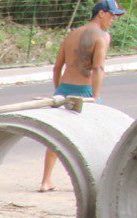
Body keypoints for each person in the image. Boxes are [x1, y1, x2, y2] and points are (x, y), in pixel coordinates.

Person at [40, 0, 124, 192]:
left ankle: (45, 180)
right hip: (85, 91)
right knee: (100, 134)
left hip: (63, 89)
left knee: (56, 135)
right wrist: (96, 97)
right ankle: (100, 178)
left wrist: (58, 90)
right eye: (112, 15)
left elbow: (57, 67)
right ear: (101, 13)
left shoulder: (71, 35)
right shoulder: (102, 36)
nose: (113, 20)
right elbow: (98, 68)